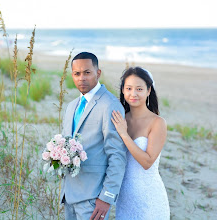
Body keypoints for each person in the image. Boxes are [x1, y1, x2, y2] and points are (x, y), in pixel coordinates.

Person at [61, 52, 127, 220]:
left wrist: (106, 197)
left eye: (87, 72)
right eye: (77, 74)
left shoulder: (110, 105)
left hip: (93, 199)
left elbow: (117, 155)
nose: (81, 78)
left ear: (98, 73)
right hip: (69, 195)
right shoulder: (71, 107)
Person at [111, 67, 170, 219]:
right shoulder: (120, 119)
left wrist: (124, 134)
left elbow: (147, 161)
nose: (133, 94)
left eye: (139, 89)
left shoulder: (157, 123)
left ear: (149, 90)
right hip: (125, 196)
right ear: (123, 90)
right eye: (129, 88)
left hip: (149, 197)